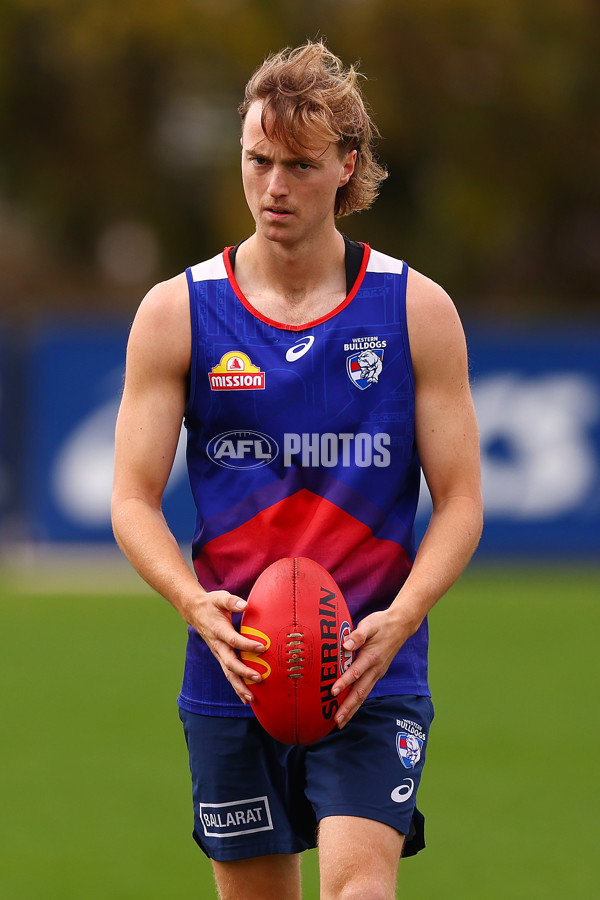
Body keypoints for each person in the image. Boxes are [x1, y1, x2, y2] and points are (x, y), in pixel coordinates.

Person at [111, 40, 483, 900]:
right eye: (257, 160)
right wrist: (191, 603)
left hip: (367, 665)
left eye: (300, 166)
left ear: (347, 167)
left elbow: (461, 500)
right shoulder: (176, 313)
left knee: (360, 890)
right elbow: (131, 499)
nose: (273, 185)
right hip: (232, 664)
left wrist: (406, 616)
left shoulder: (415, 311)